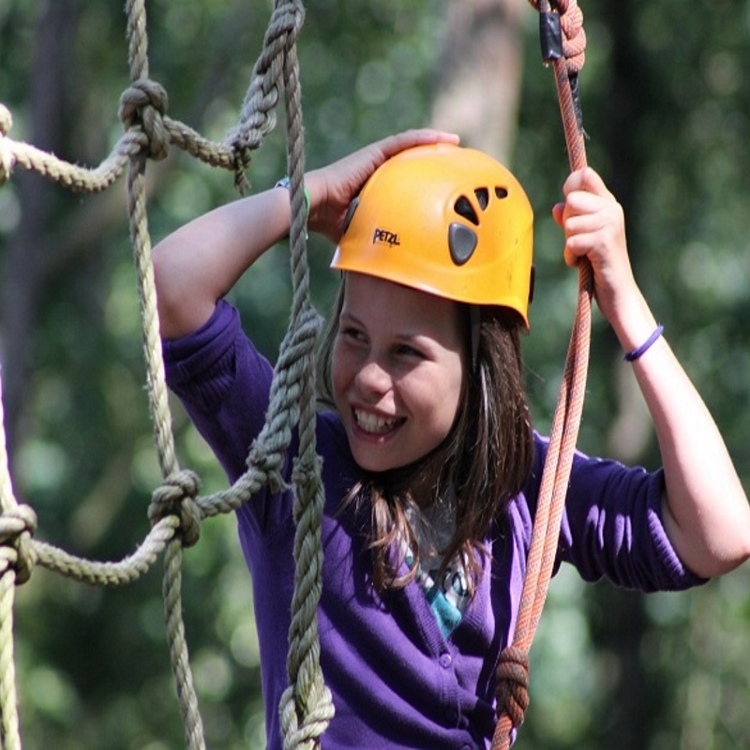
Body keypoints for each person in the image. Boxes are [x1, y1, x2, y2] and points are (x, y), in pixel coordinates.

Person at [152, 129, 750, 749]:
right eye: (354, 336)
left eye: (407, 353)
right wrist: (303, 197)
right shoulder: (299, 470)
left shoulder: (525, 495)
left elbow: (721, 534)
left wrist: (624, 300)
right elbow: (170, 286)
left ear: (480, 368)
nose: (369, 379)